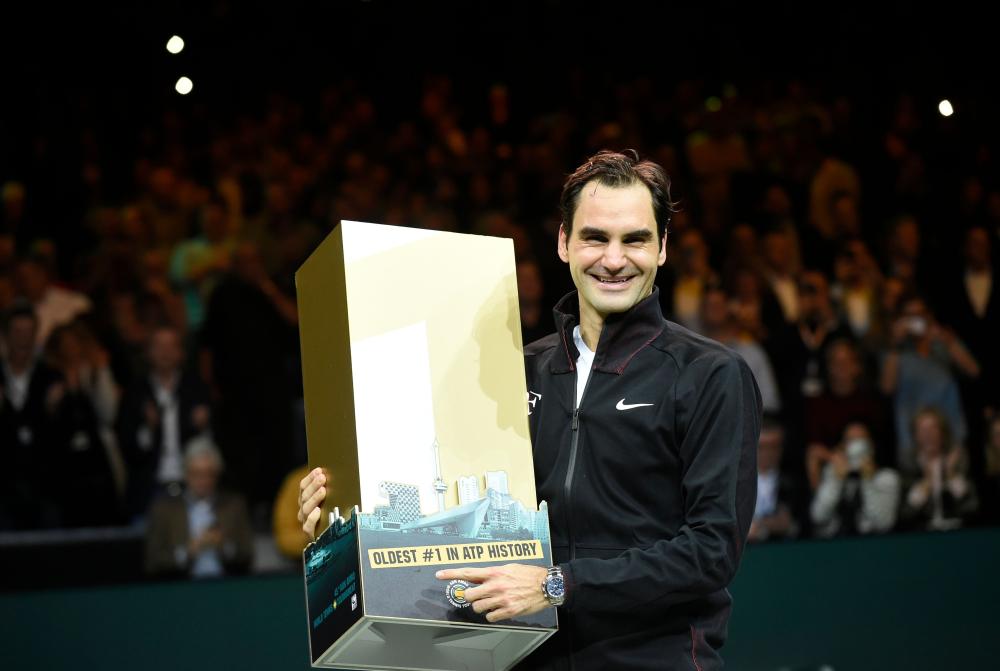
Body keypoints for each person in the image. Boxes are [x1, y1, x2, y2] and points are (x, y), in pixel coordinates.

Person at [298, 150, 762, 669]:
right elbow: (440, 506)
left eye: (635, 239)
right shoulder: (515, 372)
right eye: (594, 237)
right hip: (525, 657)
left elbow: (711, 552)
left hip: (656, 657)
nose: (613, 259)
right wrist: (339, 514)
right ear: (564, 243)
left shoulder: (709, 374)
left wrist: (556, 584)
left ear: (662, 249)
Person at [144, 436, 254, 578]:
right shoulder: (164, 509)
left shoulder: (234, 506)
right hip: (180, 588)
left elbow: (247, 554)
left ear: (217, 475)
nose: (203, 481)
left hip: (226, 585)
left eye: (209, 474)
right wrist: (187, 552)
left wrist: (224, 547)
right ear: (186, 474)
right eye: (196, 474)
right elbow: (152, 561)